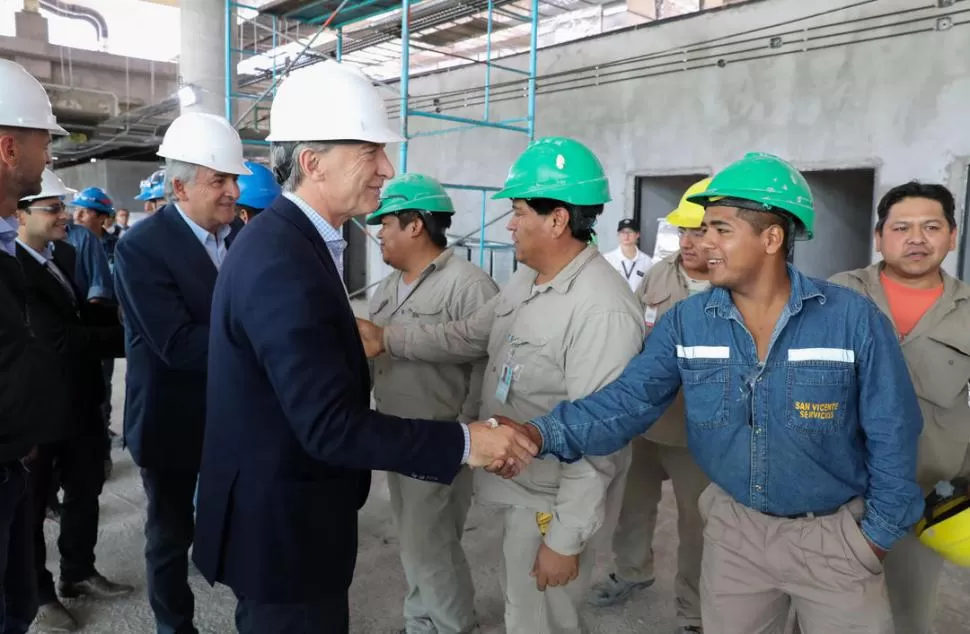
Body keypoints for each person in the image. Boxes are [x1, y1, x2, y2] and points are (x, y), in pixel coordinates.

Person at [504, 152, 926, 634]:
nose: (704, 243)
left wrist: (875, 535)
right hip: (735, 537)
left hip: (834, 538)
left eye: (721, 230)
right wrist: (538, 434)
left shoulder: (851, 320)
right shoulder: (689, 321)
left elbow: (894, 431)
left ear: (772, 238)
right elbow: (627, 402)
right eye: (703, 230)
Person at [193, 60, 534, 634]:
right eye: (369, 152)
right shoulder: (282, 259)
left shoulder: (294, 244)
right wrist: (464, 441)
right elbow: (329, 426)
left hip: (293, 513)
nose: (387, 168)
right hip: (284, 531)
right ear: (312, 163)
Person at [357, 137, 645, 634]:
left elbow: (602, 439)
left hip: (552, 504)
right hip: (522, 487)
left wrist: (565, 539)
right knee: (522, 612)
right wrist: (388, 339)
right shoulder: (527, 280)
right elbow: (469, 334)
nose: (508, 224)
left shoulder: (601, 308)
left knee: (543, 622)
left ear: (557, 220)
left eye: (517, 213)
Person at [113, 111, 251, 634]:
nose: (233, 191)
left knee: (238, 525)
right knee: (170, 537)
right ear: (179, 186)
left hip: (232, 418)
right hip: (172, 421)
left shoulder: (239, 238)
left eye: (234, 179)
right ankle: (175, 628)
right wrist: (267, 342)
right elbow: (176, 344)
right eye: (220, 180)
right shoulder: (141, 247)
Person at [829, 181, 970, 634]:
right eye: (901, 227)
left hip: (926, 490)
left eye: (931, 227)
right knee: (824, 607)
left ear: (952, 235)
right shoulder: (836, 295)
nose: (916, 238)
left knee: (908, 615)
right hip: (836, 490)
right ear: (879, 236)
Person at [366, 173, 499, 634]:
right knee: (416, 539)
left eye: (386, 224)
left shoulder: (468, 285)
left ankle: (450, 625)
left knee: (432, 544)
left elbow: (486, 361)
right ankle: (420, 619)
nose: (379, 232)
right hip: (394, 433)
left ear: (416, 226)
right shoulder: (387, 289)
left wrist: (467, 431)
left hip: (442, 436)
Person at [587, 178, 712, 634]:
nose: (691, 241)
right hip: (646, 421)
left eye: (701, 231)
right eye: (685, 231)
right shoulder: (660, 273)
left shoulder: (733, 285)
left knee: (697, 524)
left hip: (699, 433)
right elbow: (637, 330)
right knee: (632, 506)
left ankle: (693, 611)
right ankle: (632, 571)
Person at [16, 169, 132, 632]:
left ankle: (78, 572)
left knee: (85, 490)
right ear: (21, 213)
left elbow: (89, 310)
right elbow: (58, 338)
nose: (66, 216)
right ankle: (38, 592)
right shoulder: (12, 267)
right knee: (33, 506)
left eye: (64, 207)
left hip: (81, 401)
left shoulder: (64, 252)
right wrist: (134, 336)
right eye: (54, 208)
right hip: (37, 409)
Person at [0, 57, 70, 634]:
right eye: (43, 142)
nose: (49, 158)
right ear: (7, 148)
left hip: (14, 462)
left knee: (15, 609)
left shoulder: (6, 246)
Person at [603, 218, 652, 293]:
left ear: (637, 234)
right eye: (622, 232)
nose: (626, 235)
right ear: (618, 235)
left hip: (637, 303)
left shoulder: (646, 261)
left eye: (630, 232)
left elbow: (649, 288)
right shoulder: (607, 258)